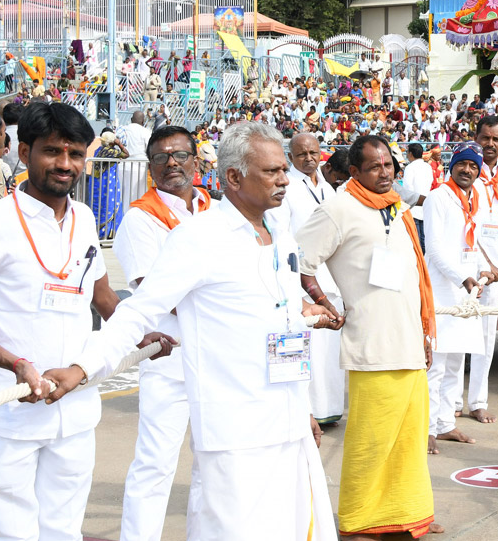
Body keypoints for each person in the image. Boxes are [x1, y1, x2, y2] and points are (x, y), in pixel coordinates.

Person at [51, 122, 340, 541]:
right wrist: (82, 368)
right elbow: (139, 312)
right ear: (235, 178)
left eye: (284, 170)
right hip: (234, 429)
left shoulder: (280, 235)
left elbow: (284, 321)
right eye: (273, 172)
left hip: (288, 421)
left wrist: (303, 409)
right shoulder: (199, 238)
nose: (284, 180)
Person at [0, 102, 120, 541]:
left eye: (75, 154)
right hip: (11, 413)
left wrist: (153, 330)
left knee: (63, 530)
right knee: (15, 532)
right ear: (24, 153)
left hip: (75, 411)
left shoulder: (85, 219)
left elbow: (103, 297)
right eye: (53, 152)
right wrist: (15, 364)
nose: (65, 164)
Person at [297, 134, 440, 538]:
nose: (384, 173)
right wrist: (323, 302)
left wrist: (426, 333)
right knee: (371, 442)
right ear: (354, 172)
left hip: (410, 340)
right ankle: (359, 521)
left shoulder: (399, 207)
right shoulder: (338, 209)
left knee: (409, 440)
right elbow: (300, 261)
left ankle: (408, 514)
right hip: (371, 345)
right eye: (374, 167)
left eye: (389, 165)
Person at [111, 125, 214, 541]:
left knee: (211, 462)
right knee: (155, 463)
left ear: (196, 160)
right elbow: (157, 293)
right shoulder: (140, 218)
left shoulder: (213, 206)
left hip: (216, 354)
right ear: (150, 167)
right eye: (161, 158)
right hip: (170, 358)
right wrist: (223, 296)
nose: (172, 163)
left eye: (180, 155)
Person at [423, 143, 493, 453]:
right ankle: (425, 429)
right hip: (442, 288)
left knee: (455, 362)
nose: (467, 170)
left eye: (473, 167)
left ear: (479, 171)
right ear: (452, 166)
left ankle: (445, 425)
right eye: (462, 164)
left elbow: (473, 243)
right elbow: (435, 249)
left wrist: (482, 270)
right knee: (435, 365)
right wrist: (462, 278)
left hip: (467, 292)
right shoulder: (438, 197)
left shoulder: (476, 198)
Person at [283, 132, 346, 426]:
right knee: (307, 348)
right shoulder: (288, 187)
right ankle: (308, 413)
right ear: (291, 157)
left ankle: (329, 410)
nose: (308, 158)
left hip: (331, 278)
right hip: (302, 279)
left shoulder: (328, 189)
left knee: (329, 353)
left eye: (313, 153)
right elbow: (284, 236)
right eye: (301, 154)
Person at [464, 115, 498, 422]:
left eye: (496, 139)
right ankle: (448, 403)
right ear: (477, 137)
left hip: (495, 269)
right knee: (458, 333)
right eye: (485, 138)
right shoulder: (466, 169)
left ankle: (477, 402)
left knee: (486, 338)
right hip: (466, 268)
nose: (490, 144)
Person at [401, 142, 434, 248]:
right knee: (425, 238)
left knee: (416, 239)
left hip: (414, 206)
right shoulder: (427, 167)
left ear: (410, 153)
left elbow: (407, 188)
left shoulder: (410, 168)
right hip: (425, 205)